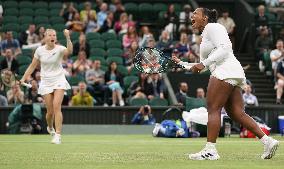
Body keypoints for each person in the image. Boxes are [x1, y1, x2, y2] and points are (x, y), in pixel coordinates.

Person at [172, 8, 279, 160]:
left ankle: (210, 150)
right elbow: (202, 66)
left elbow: (225, 48)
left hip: (225, 70)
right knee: (236, 113)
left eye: (196, 13)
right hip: (232, 72)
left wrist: (204, 64)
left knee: (213, 108)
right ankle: (267, 141)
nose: (192, 16)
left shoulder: (213, 27)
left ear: (206, 18)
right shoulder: (205, 37)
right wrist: (181, 64)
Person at [20, 29, 73, 144]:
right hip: (45, 82)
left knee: (56, 106)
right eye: (50, 35)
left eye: (54, 35)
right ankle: (50, 127)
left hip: (59, 79)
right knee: (49, 112)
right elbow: (32, 66)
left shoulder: (59, 48)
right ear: (45, 37)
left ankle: (58, 135)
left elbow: (69, 50)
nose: (52, 37)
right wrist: (24, 78)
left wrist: (68, 37)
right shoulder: (39, 50)